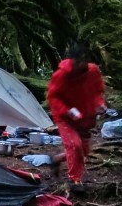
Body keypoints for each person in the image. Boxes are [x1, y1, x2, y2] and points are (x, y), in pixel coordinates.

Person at [46, 43, 107, 195]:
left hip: (85, 117)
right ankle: (75, 180)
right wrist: (67, 111)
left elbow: (97, 92)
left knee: (84, 150)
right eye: (77, 61)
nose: (80, 64)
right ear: (71, 60)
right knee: (75, 146)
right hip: (65, 118)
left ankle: (56, 159)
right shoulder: (60, 75)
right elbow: (53, 97)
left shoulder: (93, 72)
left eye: (84, 60)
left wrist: (100, 105)